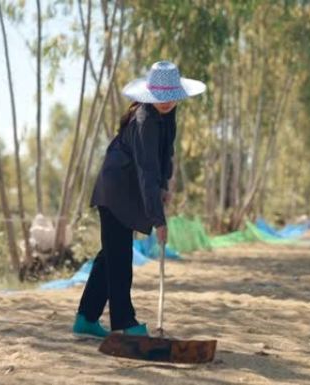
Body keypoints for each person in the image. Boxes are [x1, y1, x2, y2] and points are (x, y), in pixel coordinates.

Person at [72, 61, 206, 338]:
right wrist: (159, 221)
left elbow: (164, 157)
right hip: (117, 190)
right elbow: (146, 171)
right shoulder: (145, 120)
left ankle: (86, 318)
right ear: (151, 94)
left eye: (171, 96)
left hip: (127, 189)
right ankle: (124, 322)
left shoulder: (167, 116)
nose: (167, 102)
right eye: (161, 96)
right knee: (119, 258)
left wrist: (164, 186)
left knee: (110, 255)